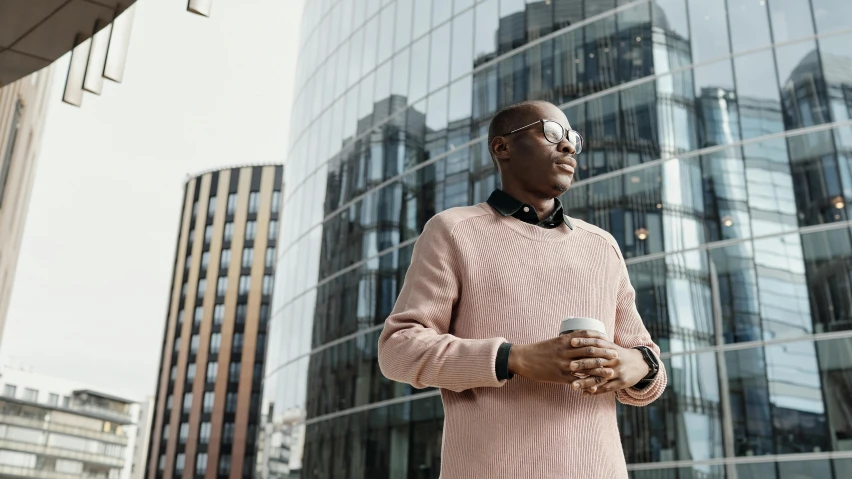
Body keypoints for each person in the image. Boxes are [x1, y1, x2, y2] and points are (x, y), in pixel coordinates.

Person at [377, 100, 667, 478]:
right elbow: (398, 349)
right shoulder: (453, 231)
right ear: (502, 147)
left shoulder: (602, 245)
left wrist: (637, 365)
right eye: (550, 133)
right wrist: (514, 359)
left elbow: (649, 366)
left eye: (572, 139)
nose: (567, 147)